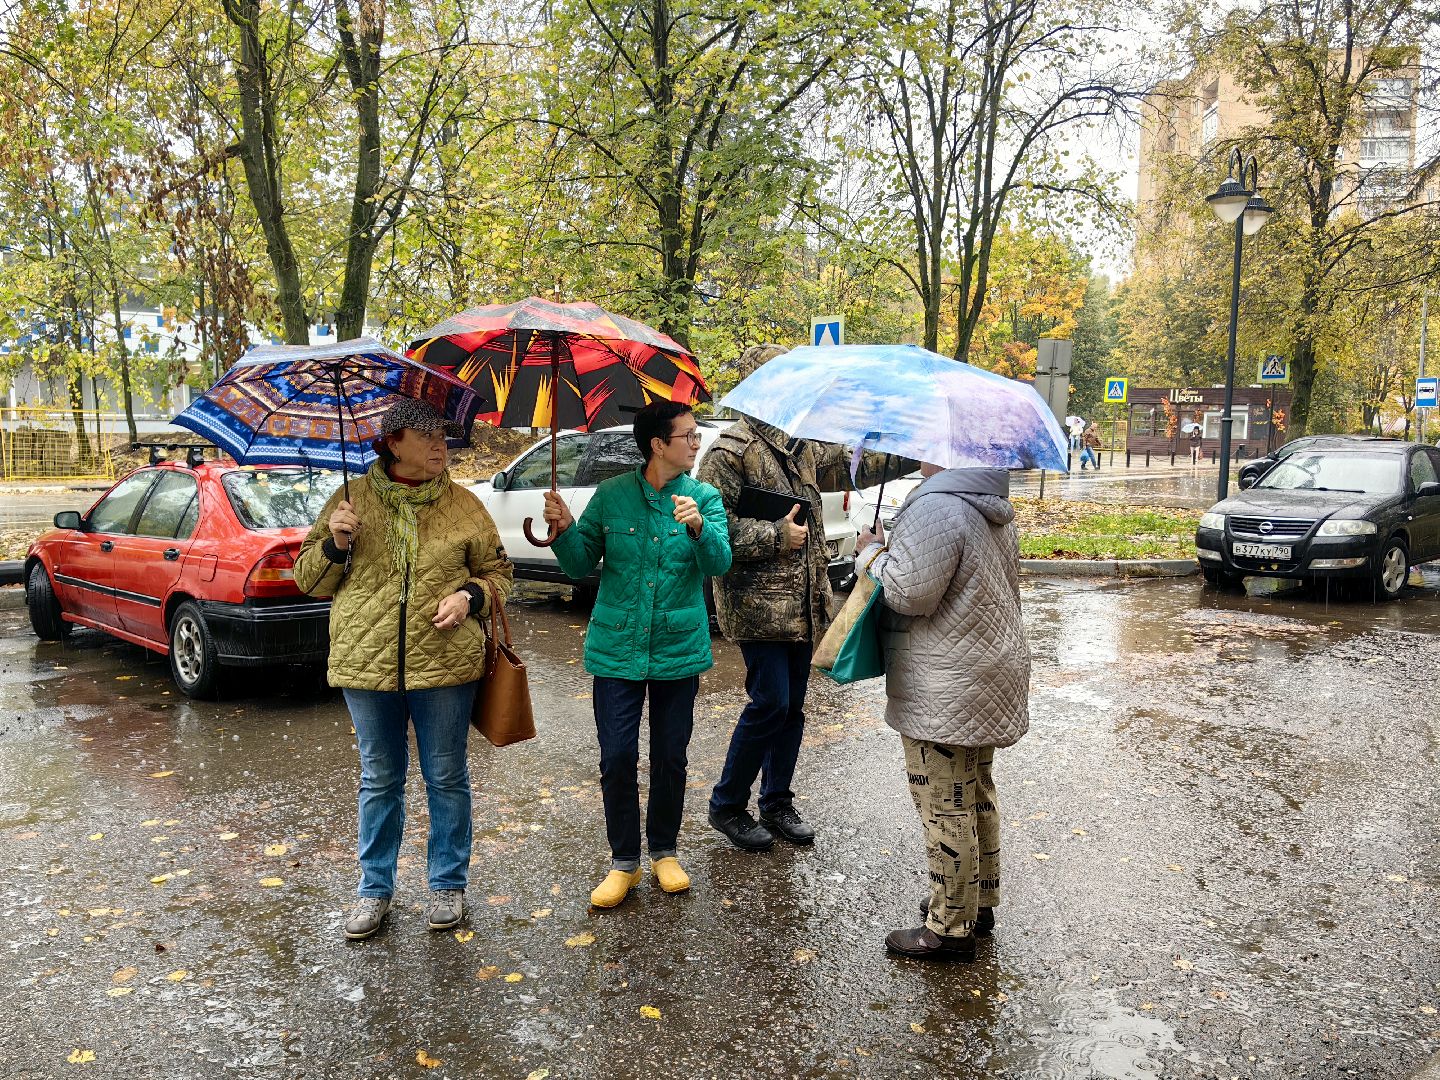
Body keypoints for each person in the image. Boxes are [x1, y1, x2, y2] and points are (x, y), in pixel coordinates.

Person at [295, 398, 514, 941]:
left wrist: (469, 596)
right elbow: (308, 581)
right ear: (393, 443)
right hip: (365, 666)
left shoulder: (465, 506)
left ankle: (447, 883)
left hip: (445, 664)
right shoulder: (350, 501)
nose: (441, 445)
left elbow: (498, 574)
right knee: (380, 778)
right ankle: (374, 890)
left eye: (443, 435)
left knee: (446, 774)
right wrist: (336, 543)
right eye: (427, 436)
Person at [698, 344, 914, 852]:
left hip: (804, 605)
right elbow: (711, 531)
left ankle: (775, 801)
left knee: (792, 707)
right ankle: (726, 804)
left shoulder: (803, 448)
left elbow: (857, 466)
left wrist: (913, 448)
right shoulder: (729, 453)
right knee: (770, 703)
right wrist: (775, 536)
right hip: (758, 607)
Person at [542, 400, 732, 908]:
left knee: (670, 756)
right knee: (618, 756)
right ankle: (624, 860)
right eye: (688, 435)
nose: (696, 443)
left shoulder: (703, 496)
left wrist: (698, 528)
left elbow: (720, 562)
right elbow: (581, 562)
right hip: (616, 648)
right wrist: (561, 530)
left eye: (696, 435)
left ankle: (665, 851)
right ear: (657, 444)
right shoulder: (612, 495)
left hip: (677, 648)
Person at [855, 464, 1030, 962]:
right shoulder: (990, 505)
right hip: (988, 669)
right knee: (975, 790)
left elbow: (910, 595)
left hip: (947, 679)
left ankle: (950, 928)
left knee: (943, 801)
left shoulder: (935, 505)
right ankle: (979, 901)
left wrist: (872, 552)